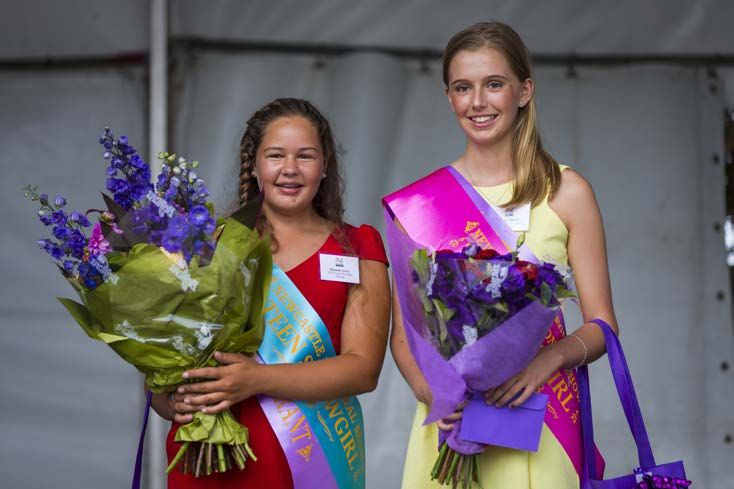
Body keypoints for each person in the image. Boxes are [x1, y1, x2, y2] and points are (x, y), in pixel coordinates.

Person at [387, 22, 618, 488]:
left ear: (524, 91)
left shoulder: (567, 192)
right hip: (449, 423)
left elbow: (603, 326)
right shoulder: (419, 206)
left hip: (541, 417)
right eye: (462, 87)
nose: (478, 102)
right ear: (449, 97)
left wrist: (547, 361)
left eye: (494, 84)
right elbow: (404, 338)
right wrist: (434, 394)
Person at [150, 98, 391, 489]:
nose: (290, 169)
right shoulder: (206, 243)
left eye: (305, 156)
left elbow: (363, 370)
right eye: (276, 155)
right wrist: (175, 400)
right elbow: (161, 375)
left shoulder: (358, 246)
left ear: (325, 164)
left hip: (310, 460)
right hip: (210, 460)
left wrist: (257, 379)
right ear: (255, 164)